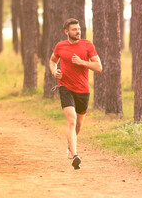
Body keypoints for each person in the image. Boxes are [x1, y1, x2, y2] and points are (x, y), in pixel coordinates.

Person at [49, 18, 102, 170]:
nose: (78, 31)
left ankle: (70, 146)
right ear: (67, 32)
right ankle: (75, 155)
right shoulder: (60, 46)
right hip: (65, 86)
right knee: (71, 121)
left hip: (83, 90)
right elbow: (52, 61)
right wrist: (54, 72)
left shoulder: (87, 45)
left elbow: (99, 67)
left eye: (79, 29)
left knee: (79, 124)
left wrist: (82, 62)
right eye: (74, 29)